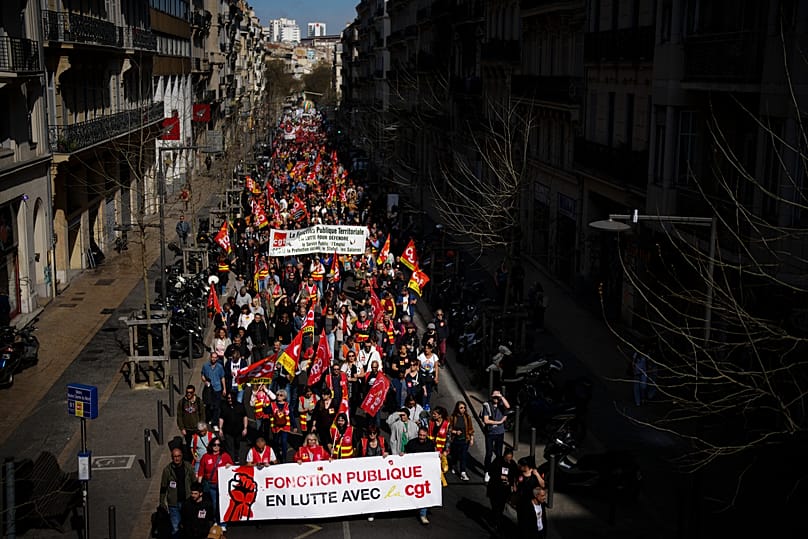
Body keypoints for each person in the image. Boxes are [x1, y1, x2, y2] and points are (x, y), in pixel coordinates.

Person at [196, 438, 233, 528]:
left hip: (222, 485)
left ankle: (223, 523)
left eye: (218, 445)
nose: (216, 447)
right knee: (214, 505)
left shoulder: (225, 456)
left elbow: (232, 468)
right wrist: (198, 486)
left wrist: (229, 465)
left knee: (222, 504)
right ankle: (216, 520)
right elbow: (201, 471)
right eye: (214, 445)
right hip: (211, 485)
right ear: (211, 446)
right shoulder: (205, 456)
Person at [404, 426, 436, 525]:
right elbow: (406, 455)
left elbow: (433, 457)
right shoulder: (411, 443)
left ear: (426, 435)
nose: (421, 437)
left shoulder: (430, 444)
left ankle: (423, 514)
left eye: (423, 436)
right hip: (413, 474)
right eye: (420, 435)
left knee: (423, 493)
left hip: (425, 474)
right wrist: (402, 455)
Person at [160, 447, 195, 539]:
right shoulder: (167, 470)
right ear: (172, 457)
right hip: (174, 504)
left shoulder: (188, 467)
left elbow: (194, 483)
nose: (177, 458)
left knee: (188, 526)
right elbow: (163, 487)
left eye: (179, 456)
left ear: (182, 456)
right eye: (175, 456)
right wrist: (162, 502)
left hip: (187, 502)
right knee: (175, 528)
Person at [482, 390, 510, 483]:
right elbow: (486, 420)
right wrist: (499, 422)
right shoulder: (487, 405)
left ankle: (497, 471)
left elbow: (508, 406)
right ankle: (487, 471)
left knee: (499, 454)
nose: (496, 398)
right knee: (489, 453)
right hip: (490, 433)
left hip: (500, 433)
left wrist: (501, 396)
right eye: (494, 396)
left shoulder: (501, 405)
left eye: (497, 397)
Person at [487, 447, 518, 529]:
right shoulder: (498, 461)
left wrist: (513, 484)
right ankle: (495, 520)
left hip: (505, 490)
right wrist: (499, 476)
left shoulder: (512, 464)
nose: (508, 460)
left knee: (501, 506)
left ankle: (497, 520)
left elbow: (515, 475)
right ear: (504, 456)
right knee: (495, 506)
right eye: (507, 458)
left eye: (510, 458)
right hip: (495, 488)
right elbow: (490, 472)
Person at [218, 393, 248, 464]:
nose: (230, 400)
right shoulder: (224, 406)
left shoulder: (240, 406)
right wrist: (220, 428)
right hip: (228, 431)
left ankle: (237, 457)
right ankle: (231, 460)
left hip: (238, 431)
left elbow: (245, 417)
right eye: (228, 398)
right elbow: (221, 418)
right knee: (229, 446)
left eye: (231, 398)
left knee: (237, 445)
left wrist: (245, 428)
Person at [448, 401, 474, 481]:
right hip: (455, 440)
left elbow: (470, 428)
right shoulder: (453, 417)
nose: (463, 409)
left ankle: (463, 472)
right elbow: (449, 428)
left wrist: (471, 438)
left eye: (464, 408)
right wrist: (455, 432)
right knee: (455, 455)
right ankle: (454, 465)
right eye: (461, 408)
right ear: (457, 408)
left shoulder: (467, 417)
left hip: (465, 440)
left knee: (463, 456)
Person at [201, 353, 226, 427]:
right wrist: (205, 381)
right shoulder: (205, 366)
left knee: (217, 406)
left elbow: (222, 377)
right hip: (209, 389)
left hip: (217, 388)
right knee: (208, 405)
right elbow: (202, 375)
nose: (214, 359)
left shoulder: (220, 367)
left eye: (215, 357)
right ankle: (209, 418)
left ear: (217, 358)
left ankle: (215, 423)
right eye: (212, 357)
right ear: (210, 357)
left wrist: (224, 388)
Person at [177, 385, 206, 450]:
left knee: (198, 444)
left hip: (197, 428)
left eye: (190, 392)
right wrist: (182, 428)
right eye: (187, 392)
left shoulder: (198, 401)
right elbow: (179, 416)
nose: (188, 394)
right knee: (189, 445)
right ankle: (190, 455)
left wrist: (202, 427)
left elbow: (202, 415)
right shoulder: (182, 402)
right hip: (187, 429)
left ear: (193, 392)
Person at [270, 389, 292, 462]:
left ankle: (284, 458)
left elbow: (291, 415)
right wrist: (265, 406)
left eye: (281, 395)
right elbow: (267, 411)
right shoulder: (273, 404)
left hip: (285, 427)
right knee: (275, 442)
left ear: (284, 397)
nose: (279, 396)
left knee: (284, 441)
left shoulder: (287, 405)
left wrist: (295, 426)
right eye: (277, 395)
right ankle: (275, 455)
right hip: (275, 427)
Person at [417, 344, 439, 409]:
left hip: (430, 376)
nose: (426, 350)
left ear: (431, 349)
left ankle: (427, 404)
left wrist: (436, 377)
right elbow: (418, 366)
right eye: (425, 348)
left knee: (429, 391)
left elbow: (436, 367)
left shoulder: (434, 357)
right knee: (423, 391)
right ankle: (422, 404)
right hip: (422, 376)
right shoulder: (421, 356)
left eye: (428, 348)